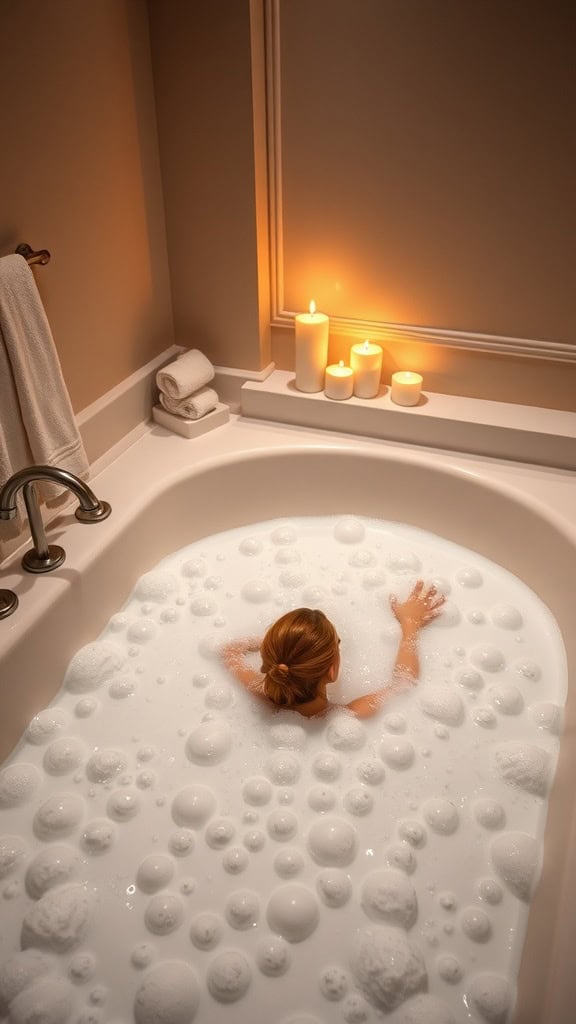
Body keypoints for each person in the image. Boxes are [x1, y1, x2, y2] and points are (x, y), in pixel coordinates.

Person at [220, 580, 445, 719]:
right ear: (331, 671)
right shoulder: (351, 716)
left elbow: (230, 651)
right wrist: (410, 624)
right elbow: (404, 684)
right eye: (337, 645)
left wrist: (285, 644)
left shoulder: (258, 692)